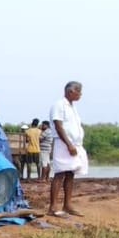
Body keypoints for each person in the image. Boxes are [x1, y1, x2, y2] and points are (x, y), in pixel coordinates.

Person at [48, 81, 87, 217]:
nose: (80, 94)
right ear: (71, 91)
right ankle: (53, 207)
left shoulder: (72, 107)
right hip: (63, 144)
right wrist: (69, 144)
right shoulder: (59, 105)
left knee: (71, 174)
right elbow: (59, 126)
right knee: (60, 174)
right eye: (79, 91)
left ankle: (67, 204)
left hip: (74, 144)